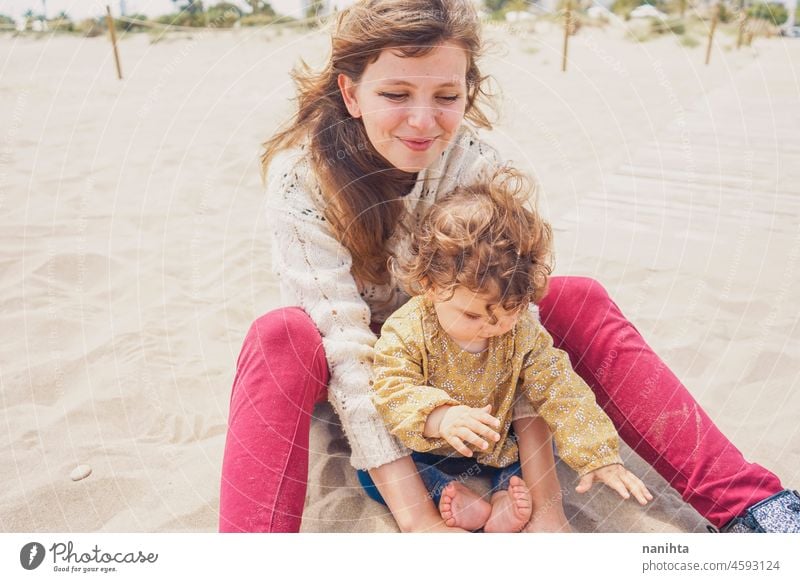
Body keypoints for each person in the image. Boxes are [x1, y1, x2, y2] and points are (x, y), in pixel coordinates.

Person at [218, 0, 800, 533]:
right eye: (395, 94)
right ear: (351, 94)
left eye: (446, 96)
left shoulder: (480, 166)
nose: (422, 121)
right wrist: (420, 523)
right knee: (279, 335)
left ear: (467, 93)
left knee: (575, 295)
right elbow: (345, 350)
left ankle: (754, 508)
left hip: (472, 347)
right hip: (373, 373)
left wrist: (549, 509)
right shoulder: (301, 181)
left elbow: (521, 334)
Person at [364, 168, 653, 532]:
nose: (492, 326)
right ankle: (447, 494)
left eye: (509, 312)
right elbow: (392, 392)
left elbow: (560, 388)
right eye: (471, 314)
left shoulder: (520, 331)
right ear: (429, 286)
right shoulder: (407, 330)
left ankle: (503, 496)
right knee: (373, 471)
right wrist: (442, 418)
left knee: (523, 457)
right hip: (426, 446)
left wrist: (597, 455)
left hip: (496, 444)